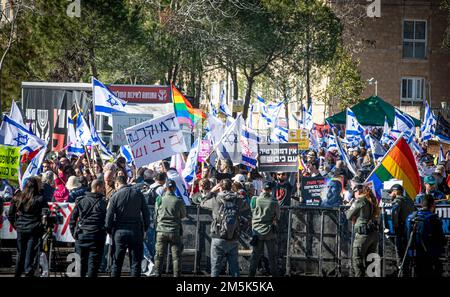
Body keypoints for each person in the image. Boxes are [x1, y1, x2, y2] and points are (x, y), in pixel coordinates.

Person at [200, 179, 248, 277]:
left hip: (218, 236)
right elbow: (247, 205)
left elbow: (202, 203)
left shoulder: (216, 199)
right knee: (234, 269)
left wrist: (212, 192)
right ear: (231, 187)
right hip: (233, 237)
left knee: (215, 268)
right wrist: (235, 194)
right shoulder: (238, 199)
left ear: (220, 188)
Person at [105, 175, 150, 277]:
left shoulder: (115, 196)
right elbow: (146, 213)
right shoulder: (138, 194)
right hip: (136, 231)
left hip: (119, 231)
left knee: (117, 263)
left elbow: (109, 216)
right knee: (135, 263)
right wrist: (145, 229)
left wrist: (108, 230)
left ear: (117, 184)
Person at [7, 177, 47, 277]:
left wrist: (16, 224)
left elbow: (10, 214)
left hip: (22, 228)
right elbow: (46, 214)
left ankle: (19, 273)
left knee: (21, 254)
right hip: (33, 229)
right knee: (29, 254)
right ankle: (27, 272)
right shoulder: (39, 198)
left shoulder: (18, 197)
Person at [69, 179, 107, 277]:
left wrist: (74, 233)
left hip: (82, 236)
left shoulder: (81, 200)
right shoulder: (103, 203)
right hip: (96, 237)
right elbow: (108, 220)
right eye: (103, 187)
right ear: (97, 187)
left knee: (80, 266)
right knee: (93, 266)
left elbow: (72, 219)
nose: (104, 190)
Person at [405, 195, 446, 277]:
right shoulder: (433, 218)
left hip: (412, 254)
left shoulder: (410, 217)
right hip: (429, 256)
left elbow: (406, 235)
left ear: (421, 204)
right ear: (433, 205)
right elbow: (440, 239)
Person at [153, 180, 187, 277]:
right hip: (174, 231)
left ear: (165, 188)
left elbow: (156, 215)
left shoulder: (159, 200)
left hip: (161, 231)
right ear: (174, 188)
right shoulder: (178, 201)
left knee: (159, 255)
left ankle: (157, 274)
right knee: (176, 257)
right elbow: (183, 215)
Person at [346, 183, 380, 277]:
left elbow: (348, 215)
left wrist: (350, 206)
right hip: (373, 234)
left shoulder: (360, 200)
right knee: (370, 262)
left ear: (359, 191)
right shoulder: (371, 200)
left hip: (363, 235)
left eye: (355, 192)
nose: (354, 194)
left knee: (357, 262)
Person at [248, 181, 280, 277]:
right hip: (269, 231)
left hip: (257, 231)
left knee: (255, 256)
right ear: (271, 190)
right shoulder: (274, 201)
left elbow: (252, 210)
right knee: (272, 257)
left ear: (262, 188)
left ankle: (251, 276)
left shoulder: (254, 199)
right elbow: (277, 217)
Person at [388, 184, 415, 276]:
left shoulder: (397, 201)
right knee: (407, 253)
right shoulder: (409, 200)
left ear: (395, 191)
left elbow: (394, 214)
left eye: (391, 192)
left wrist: (396, 228)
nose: (390, 194)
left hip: (401, 229)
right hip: (410, 230)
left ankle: (402, 271)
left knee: (400, 252)